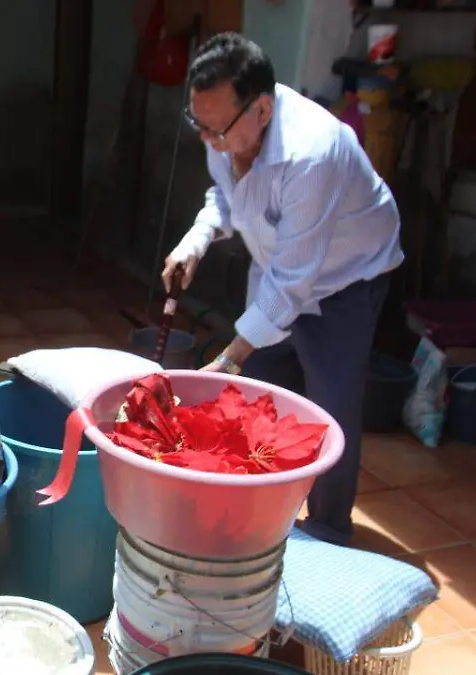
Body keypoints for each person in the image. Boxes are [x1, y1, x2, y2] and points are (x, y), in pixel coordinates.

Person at [163, 33, 404, 545]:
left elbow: (296, 281)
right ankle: (261, 517)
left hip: (349, 274)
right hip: (283, 269)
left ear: (263, 109)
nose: (207, 139)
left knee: (328, 411)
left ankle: (328, 530)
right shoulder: (226, 132)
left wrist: (229, 355)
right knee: (264, 394)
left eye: (216, 129)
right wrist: (196, 240)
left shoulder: (313, 152)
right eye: (197, 124)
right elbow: (226, 197)